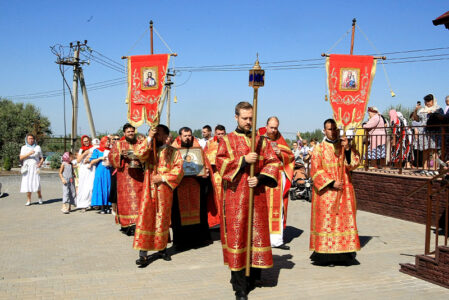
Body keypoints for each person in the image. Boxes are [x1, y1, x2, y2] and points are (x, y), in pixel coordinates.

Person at [216, 101, 279, 300]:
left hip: (256, 196)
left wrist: (259, 178)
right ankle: (239, 286)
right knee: (238, 238)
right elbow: (220, 164)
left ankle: (253, 277)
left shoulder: (261, 140)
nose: (248, 122)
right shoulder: (226, 140)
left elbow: (273, 162)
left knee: (255, 236)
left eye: (251, 118)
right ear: (236, 117)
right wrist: (243, 160)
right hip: (235, 198)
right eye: (244, 118)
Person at [309, 119, 361, 267]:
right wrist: (331, 182)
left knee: (344, 222)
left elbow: (354, 164)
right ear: (324, 131)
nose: (333, 131)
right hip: (326, 193)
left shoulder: (345, 146)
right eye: (329, 129)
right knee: (327, 223)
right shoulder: (319, 149)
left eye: (335, 129)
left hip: (344, 192)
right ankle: (326, 256)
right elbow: (315, 170)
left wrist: (349, 149)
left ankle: (344, 255)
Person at [134, 124, 184, 265]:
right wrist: (149, 136)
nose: (156, 136)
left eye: (158, 134)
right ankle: (143, 253)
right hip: (148, 189)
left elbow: (179, 170)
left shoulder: (173, 152)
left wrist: (162, 177)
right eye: (154, 133)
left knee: (162, 219)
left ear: (166, 136)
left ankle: (162, 249)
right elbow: (139, 153)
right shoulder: (149, 149)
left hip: (164, 189)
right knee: (146, 217)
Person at [171, 127, 213, 249]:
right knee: (179, 215)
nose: (188, 138)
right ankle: (180, 242)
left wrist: (205, 172)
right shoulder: (174, 150)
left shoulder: (197, 149)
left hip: (196, 185)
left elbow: (205, 165)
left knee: (198, 212)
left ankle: (198, 240)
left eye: (189, 135)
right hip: (180, 187)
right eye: (185, 136)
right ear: (180, 137)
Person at [258, 117, 294, 250]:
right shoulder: (259, 137)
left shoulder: (280, 139)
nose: (273, 130)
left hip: (278, 177)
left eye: (276, 128)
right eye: (271, 127)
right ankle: (260, 238)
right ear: (266, 126)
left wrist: (281, 154)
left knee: (277, 208)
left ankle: (276, 240)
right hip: (262, 177)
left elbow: (290, 157)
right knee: (261, 206)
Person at [109, 124, 144, 234]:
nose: (130, 133)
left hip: (138, 177)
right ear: (124, 133)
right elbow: (111, 157)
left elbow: (146, 155)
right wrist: (120, 155)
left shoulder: (140, 143)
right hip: (124, 177)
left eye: (132, 131)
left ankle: (138, 224)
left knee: (138, 200)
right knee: (126, 202)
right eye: (128, 132)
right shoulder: (119, 144)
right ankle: (127, 226)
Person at [412, 94, 444, 171]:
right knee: (425, 151)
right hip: (424, 132)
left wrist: (433, 114)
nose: (427, 102)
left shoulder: (438, 109)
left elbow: (442, 118)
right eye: (426, 101)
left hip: (434, 132)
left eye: (429, 100)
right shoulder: (422, 110)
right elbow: (416, 119)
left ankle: (435, 169)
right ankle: (425, 168)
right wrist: (416, 110)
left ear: (433, 101)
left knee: (435, 152)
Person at [204, 124, 227, 228]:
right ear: (215, 133)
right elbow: (204, 156)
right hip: (214, 176)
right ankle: (216, 222)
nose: (221, 136)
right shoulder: (209, 143)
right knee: (214, 199)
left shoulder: (229, 143)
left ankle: (226, 222)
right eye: (219, 134)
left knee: (226, 200)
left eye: (222, 134)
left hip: (226, 176)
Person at [89, 136, 112, 214]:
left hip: (108, 171)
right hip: (100, 171)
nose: (108, 143)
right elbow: (91, 162)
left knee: (108, 188)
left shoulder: (111, 150)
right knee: (101, 187)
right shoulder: (97, 151)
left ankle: (108, 206)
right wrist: (100, 158)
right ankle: (102, 207)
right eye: (107, 142)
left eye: (109, 142)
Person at [20, 134, 44, 206]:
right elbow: (21, 157)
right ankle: (28, 200)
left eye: (32, 138)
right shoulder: (24, 147)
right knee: (28, 183)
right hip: (27, 168)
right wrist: (29, 153)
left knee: (36, 183)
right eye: (29, 138)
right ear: (26, 139)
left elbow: (42, 157)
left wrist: (40, 163)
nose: (31, 140)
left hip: (35, 167)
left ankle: (39, 196)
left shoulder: (37, 147)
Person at [75, 135, 95, 211]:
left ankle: (90, 203)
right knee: (83, 186)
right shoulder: (81, 149)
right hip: (83, 169)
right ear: (82, 142)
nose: (86, 143)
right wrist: (85, 153)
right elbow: (78, 160)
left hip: (91, 168)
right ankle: (82, 204)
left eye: (87, 141)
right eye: (84, 141)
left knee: (90, 186)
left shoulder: (93, 148)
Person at [108, 134, 120, 216]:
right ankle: (114, 208)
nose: (116, 140)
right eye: (114, 139)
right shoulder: (109, 150)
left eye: (117, 139)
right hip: (113, 171)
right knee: (114, 189)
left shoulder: (123, 148)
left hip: (122, 171)